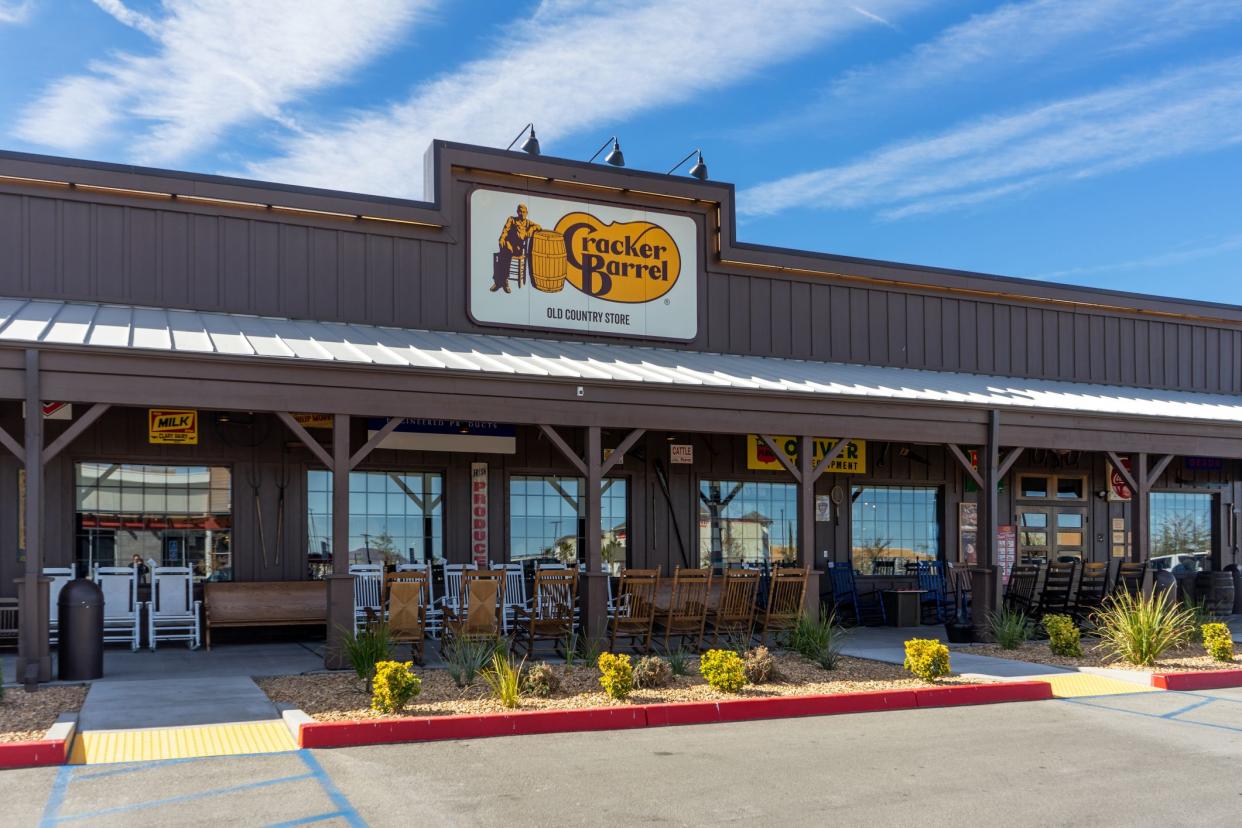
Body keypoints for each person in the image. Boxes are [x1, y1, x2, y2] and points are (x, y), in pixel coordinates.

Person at [492, 203, 541, 292]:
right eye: (520, 212)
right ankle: (504, 281)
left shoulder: (528, 223)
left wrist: (530, 230)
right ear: (517, 212)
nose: (522, 214)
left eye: (524, 212)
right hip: (508, 246)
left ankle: (499, 282)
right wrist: (501, 239)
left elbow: (538, 227)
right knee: (506, 249)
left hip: (517, 249)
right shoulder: (512, 220)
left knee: (504, 253)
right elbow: (505, 231)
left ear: (527, 212)